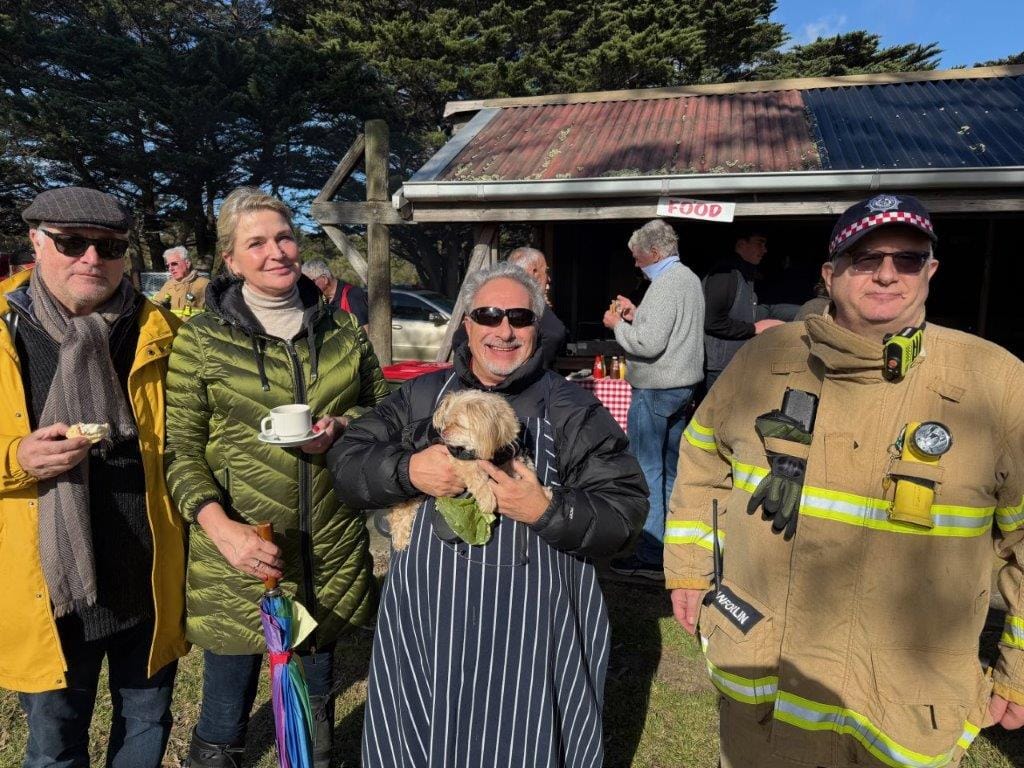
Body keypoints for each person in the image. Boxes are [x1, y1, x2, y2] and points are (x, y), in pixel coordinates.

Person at [667, 193, 1024, 768]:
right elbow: (704, 456)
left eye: (908, 259)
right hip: (764, 683)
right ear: (830, 274)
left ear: (930, 271)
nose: (887, 273)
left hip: (904, 703)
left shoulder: (996, 382)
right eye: (865, 258)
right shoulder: (765, 358)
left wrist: (1018, 671)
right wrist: (689, 569)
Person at [328, 261, 648, 767]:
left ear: (536, 328)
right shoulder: (420, 398)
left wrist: (548, 510)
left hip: (530, 638)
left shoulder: (571, 410)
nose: (504, 330)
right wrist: (408, 470)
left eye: (519, 318)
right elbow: (346, 463)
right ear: (467, 325)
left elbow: (626, 510)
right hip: (429, 628)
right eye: (489, 315)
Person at [164, 187, 391, 768]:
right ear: (232, 261)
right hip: (244, 551)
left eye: (284, 237)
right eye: (256, 243)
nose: (277, 252)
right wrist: (221, 530)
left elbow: (386, 409)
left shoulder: (341, 329)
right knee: (224, 711)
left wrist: (341, 425)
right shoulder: (202, 338)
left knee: (313, 710)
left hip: (329, 550)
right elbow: (181, 453)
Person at [1, 186, 187, 767]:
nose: (91, 259)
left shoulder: (161, 329)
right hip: (50, 586)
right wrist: (15, 459)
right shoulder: (5, 332)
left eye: (108, 247)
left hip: (147, 578)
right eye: (71, 242)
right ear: (36, 242)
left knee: (145, 729)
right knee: (54, 747)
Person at [602, 219, 704, 581]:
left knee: (648, 471)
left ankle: (650, 555)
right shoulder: (688, 279)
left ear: (655, 252)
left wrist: (617, 324)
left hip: (658, 388)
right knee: (672, 470)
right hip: (682, 388)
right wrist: (636, 314)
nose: (635, 263)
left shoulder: (664, 285)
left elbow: (648, 344)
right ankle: (673, 546)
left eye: (637, 255)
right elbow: (666, 331)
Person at [452, 246, 568, 368]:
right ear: (535, 272)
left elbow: (459, 339)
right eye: (546, 271)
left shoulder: (491, 295)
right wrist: (531, 371)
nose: (505, 333)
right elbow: (555, 333)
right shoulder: (529, 302)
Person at [702, 229, 783, 389]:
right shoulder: (725, 274)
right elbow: (712, 322)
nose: (764, 250)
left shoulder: (744, 274)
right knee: (717, 414)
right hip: (719, 368)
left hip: (732, 363)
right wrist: (754, 328)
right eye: (759, 243)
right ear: (740, 244)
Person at [300, 257, 369, 327]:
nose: (307, 287)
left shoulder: (353, 295)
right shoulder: (321, 302)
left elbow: (366, 329)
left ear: (324, 279)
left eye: (310, 282)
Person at [155, 245, 209, 317]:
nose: (170, 268)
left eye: (174, 264)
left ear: (187, 263)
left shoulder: (204, 284)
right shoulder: (168, 285)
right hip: (173, 328)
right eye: (168, 266)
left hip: (196, 328)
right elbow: (155, 306)